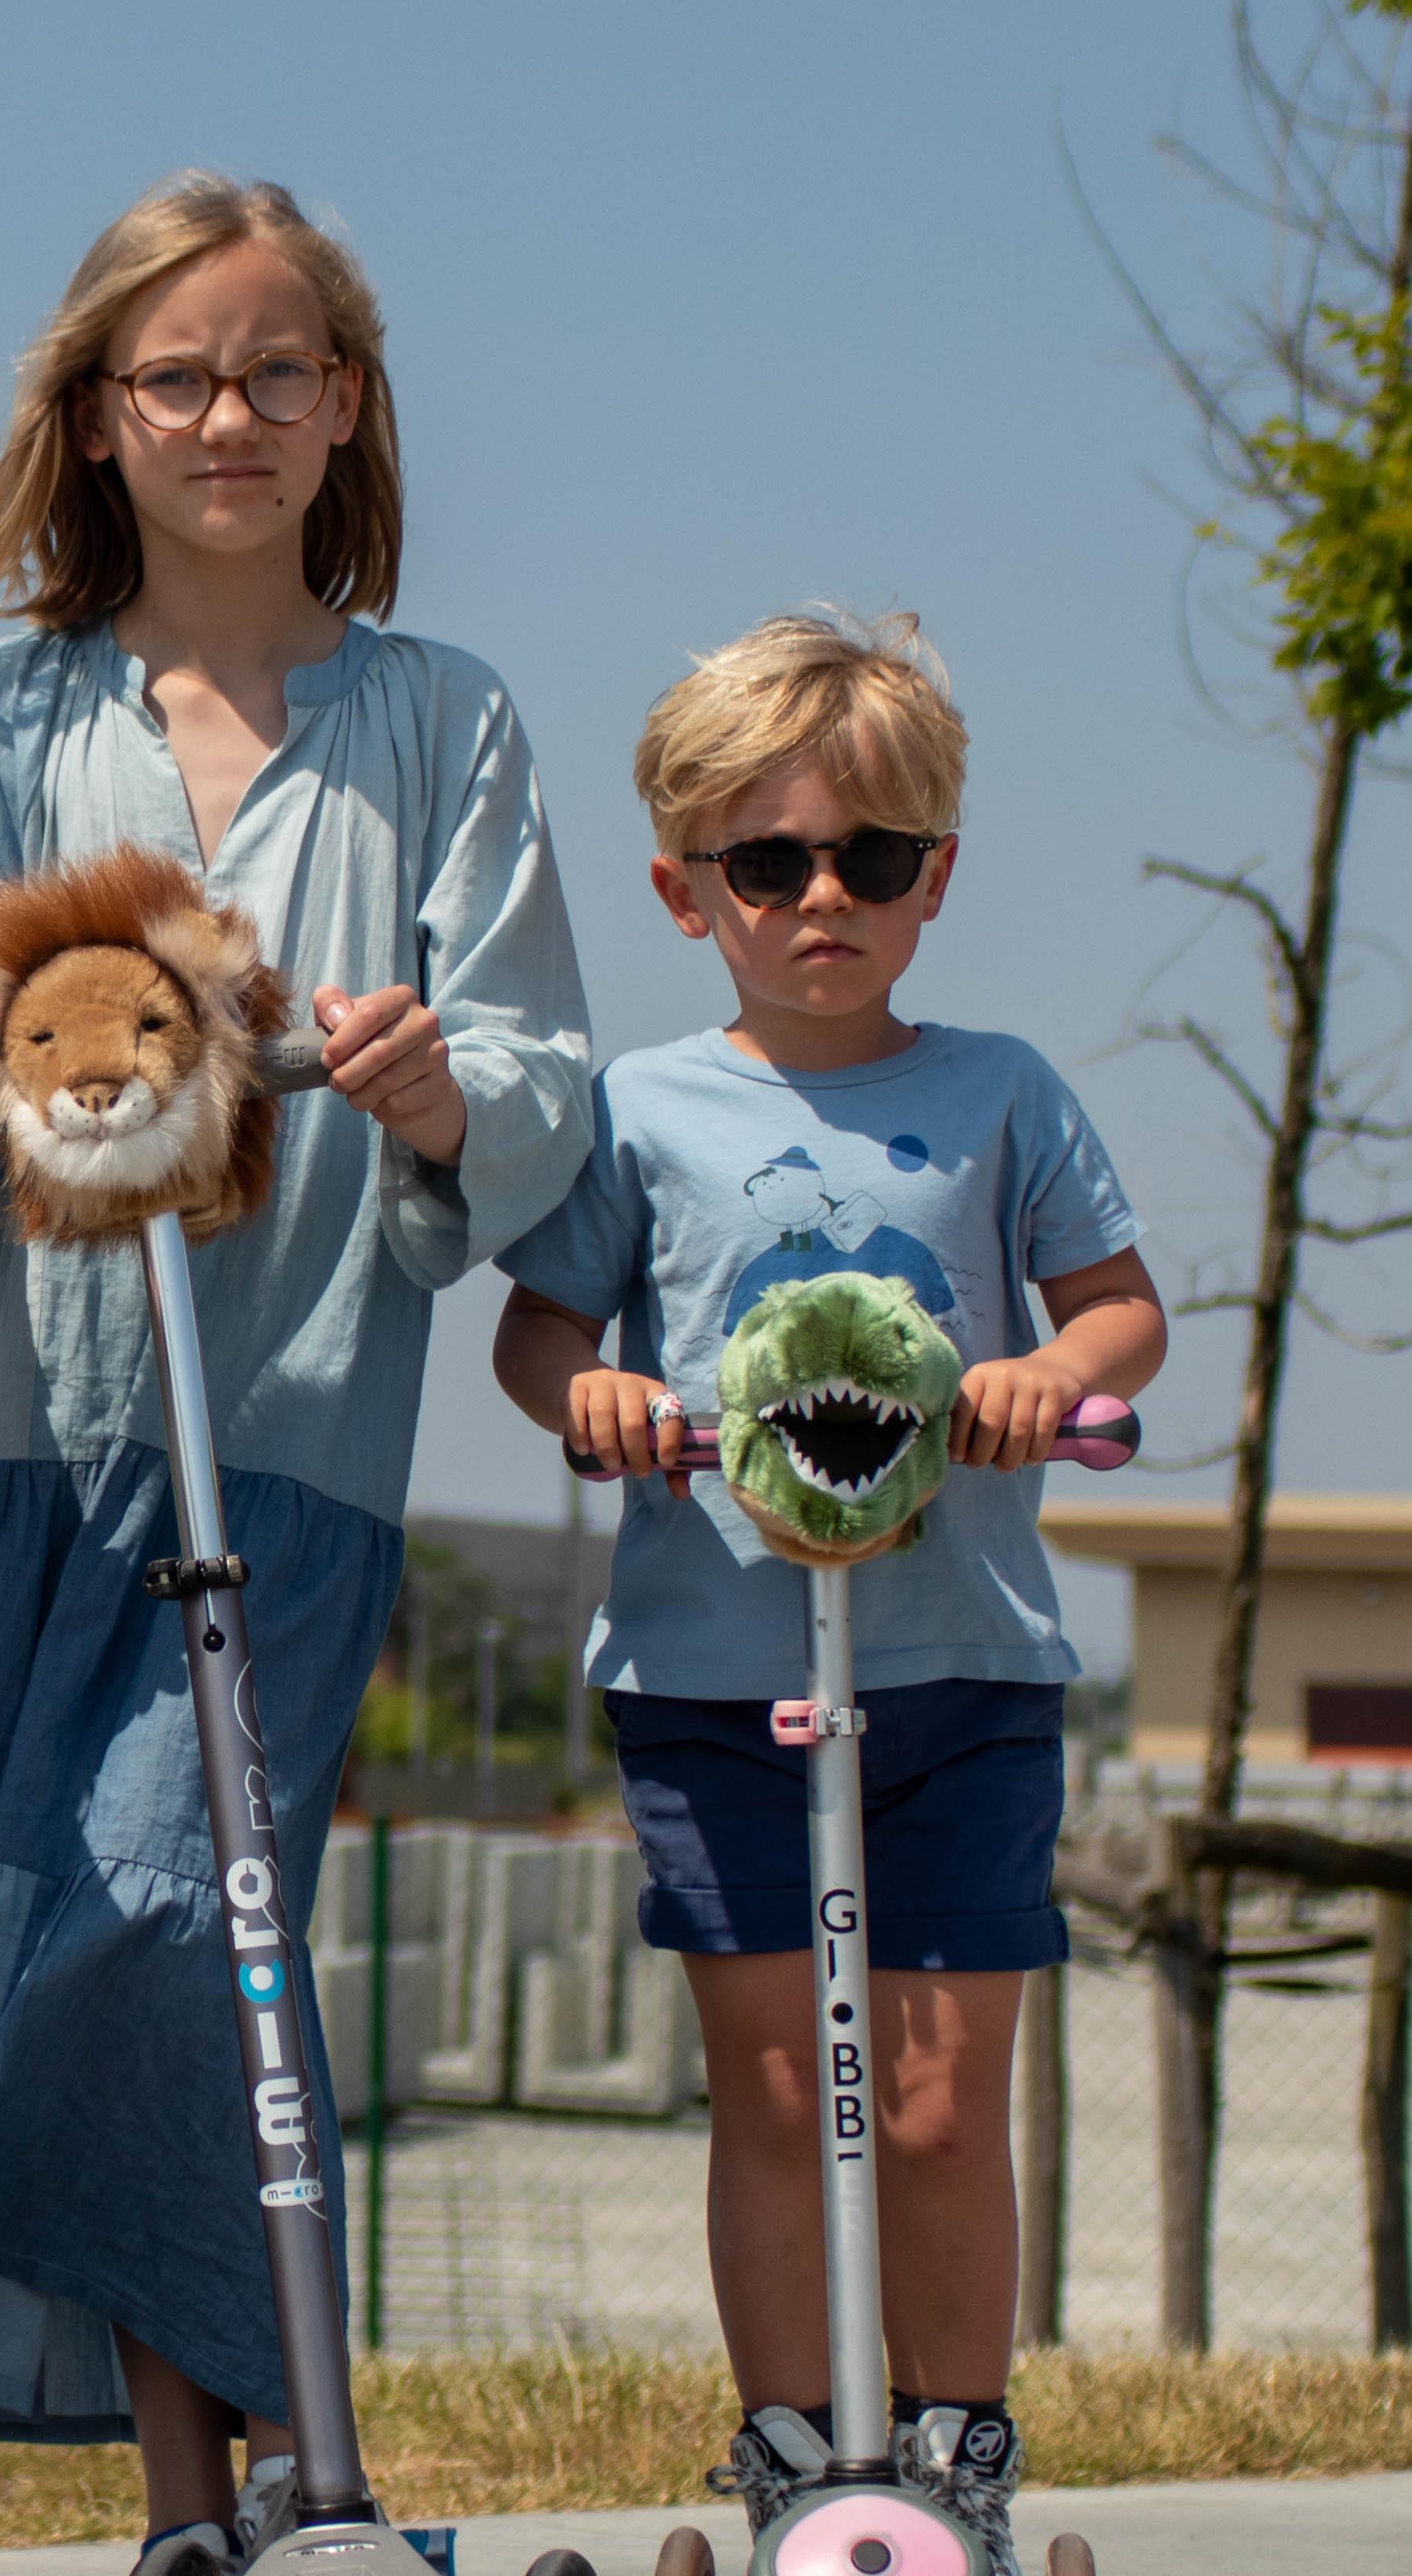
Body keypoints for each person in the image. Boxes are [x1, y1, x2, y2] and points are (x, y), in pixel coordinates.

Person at [0, 175, 593, 2576]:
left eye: (277, 370)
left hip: (299, 1434)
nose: (230, 415)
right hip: (40, 1448)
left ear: (347, 409)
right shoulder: (8, 713)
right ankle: (212, 2507)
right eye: (178, 377)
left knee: (172, 1898)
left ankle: (283, 2484)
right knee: (68, 1928)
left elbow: (531, 1058)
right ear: (98, 418)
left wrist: (444, 1089)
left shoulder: (442, 722)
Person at [489, 611, 1167, 2576]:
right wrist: (597, 1391)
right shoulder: (641, 1112)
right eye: (766, 863)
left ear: (936, 876)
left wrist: (1059, 1372)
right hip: (714, 1665)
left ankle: (952, 2455)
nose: (819, 900)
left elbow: (1118, 1305)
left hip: (962, 1668)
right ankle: (799, 2458)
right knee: (779, 2083)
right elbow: (541, 1337)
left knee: (947, 2102)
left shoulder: (1002, 1090)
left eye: (871, 860)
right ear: (684, 885)